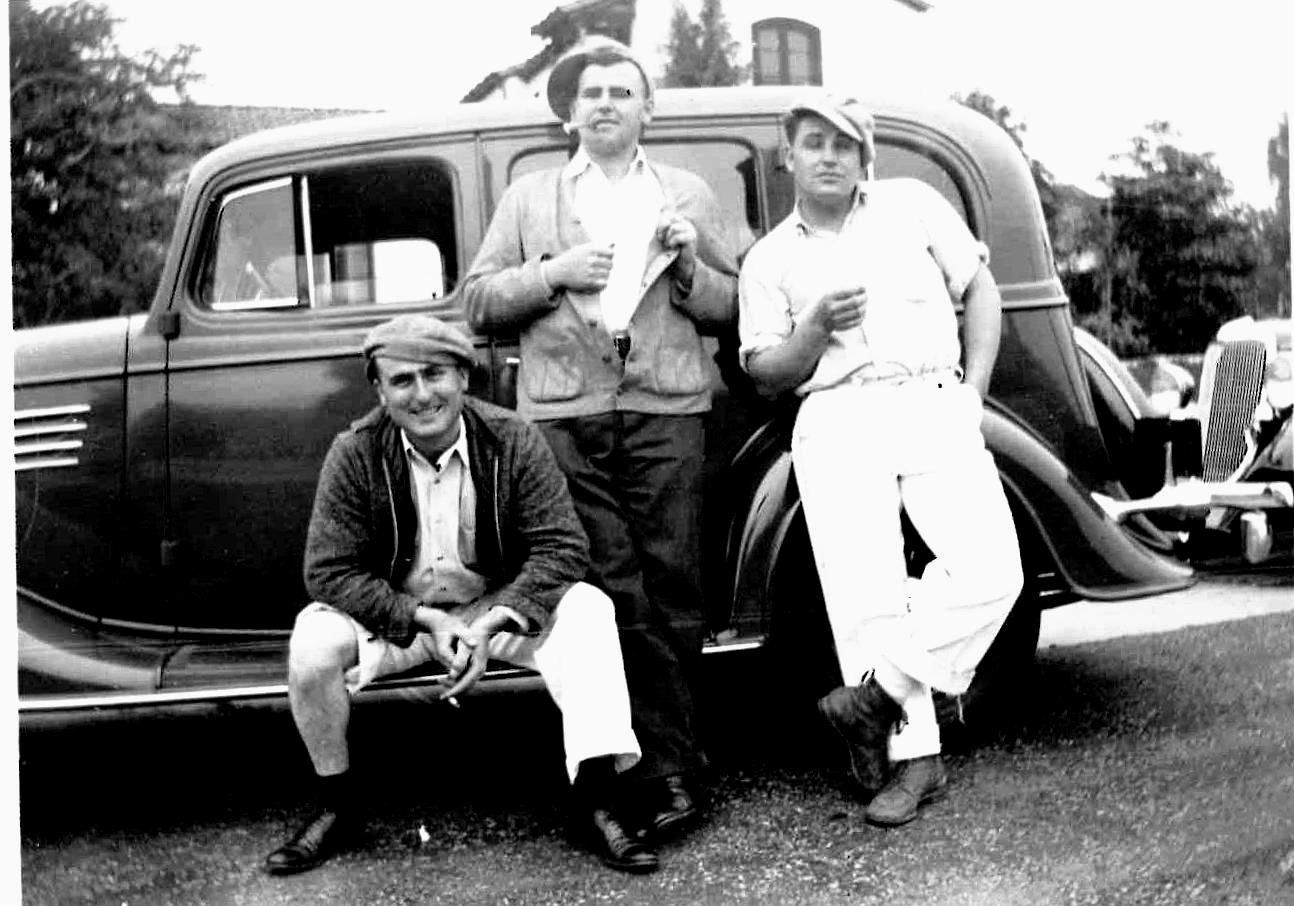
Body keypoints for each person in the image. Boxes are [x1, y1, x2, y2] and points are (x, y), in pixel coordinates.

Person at [460, 38, 739, 838]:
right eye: (592, 94)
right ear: (569, 113)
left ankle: (675, 769)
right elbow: (478, 304)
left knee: (675, 583)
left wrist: (688, 270)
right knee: (608, 585)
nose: (607, 103)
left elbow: (733, 307)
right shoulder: (529, 196)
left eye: (624, 91)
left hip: (667, 407)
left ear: (648, 108)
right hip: (565, 416)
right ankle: (649, 771)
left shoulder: (685, 191)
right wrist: (554, 273)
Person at [264, 314, 658, 876]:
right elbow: (327, 570)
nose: (422, 394)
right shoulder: (354, 452)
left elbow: (563, 547)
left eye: (435, 374)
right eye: (402, 380)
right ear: (379, 389)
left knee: (589, 609)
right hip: (405, 615)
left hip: (489, 610)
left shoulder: (512, 437)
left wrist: (496, 617)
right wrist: (421, 618)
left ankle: (594, 799)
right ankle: (338, 806)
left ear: (464, 378)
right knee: (311, 644)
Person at [737, 93, 1024, 827]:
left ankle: (871, 698)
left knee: (994, 572)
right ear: (789, 154)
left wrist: (976, 391)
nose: (829, 155)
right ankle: (915, 762)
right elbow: (768, 372)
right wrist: (814, 329)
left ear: (865, 155)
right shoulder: (770, 258)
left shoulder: (912, 204)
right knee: (864, 599)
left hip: (933, 399)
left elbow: (979, 289)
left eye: (845, 143)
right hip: (836, 416)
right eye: (813, 143)